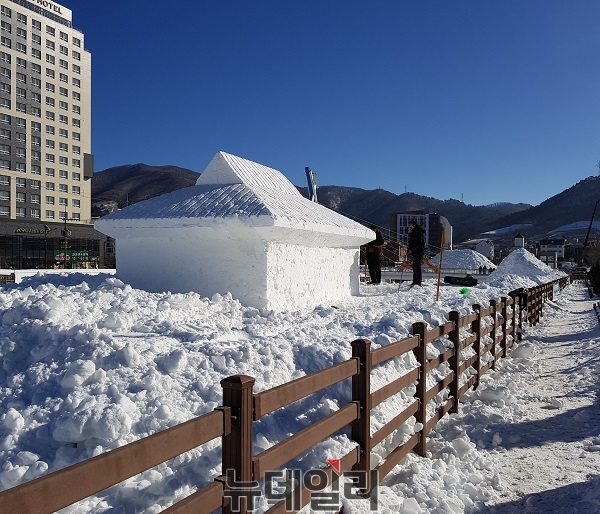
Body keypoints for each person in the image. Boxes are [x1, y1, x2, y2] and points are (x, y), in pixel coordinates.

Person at [407, 219, 425, 286]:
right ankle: (415, 280)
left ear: (412, 225)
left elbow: (417, 243)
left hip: (418, 251)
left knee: (417, 266)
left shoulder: (417, 231)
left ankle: (418, 281)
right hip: (416, 251)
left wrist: (411, 249)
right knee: (414, 266)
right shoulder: (416, 231)